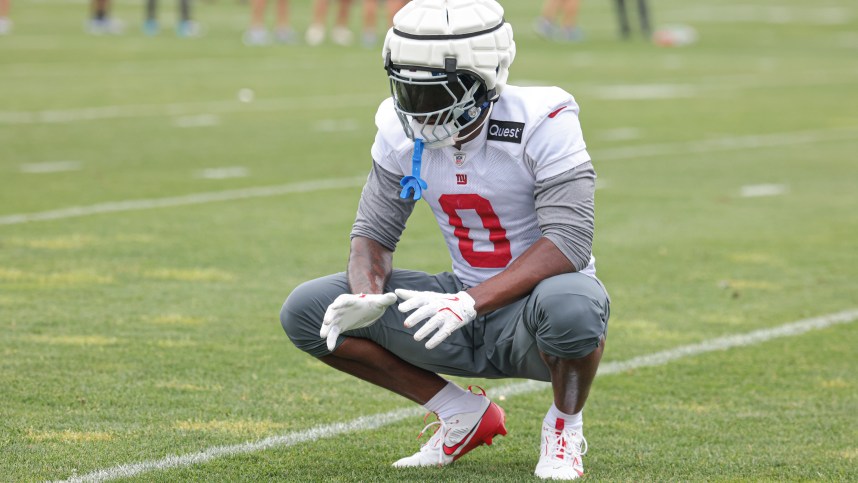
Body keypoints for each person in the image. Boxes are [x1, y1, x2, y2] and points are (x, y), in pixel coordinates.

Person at [280, 0, 610, 480]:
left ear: (485, 78)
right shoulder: (397, 128)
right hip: (459, 301)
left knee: (574, 304)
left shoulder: (544, 117)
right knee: (309, 310)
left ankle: (564, 424)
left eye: (434, 92)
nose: (419, 110)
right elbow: (372, 234)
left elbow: (570, 240)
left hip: (532, 319)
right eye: (408, 91)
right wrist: (366, 294)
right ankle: (461, 413)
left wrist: (469, 303)